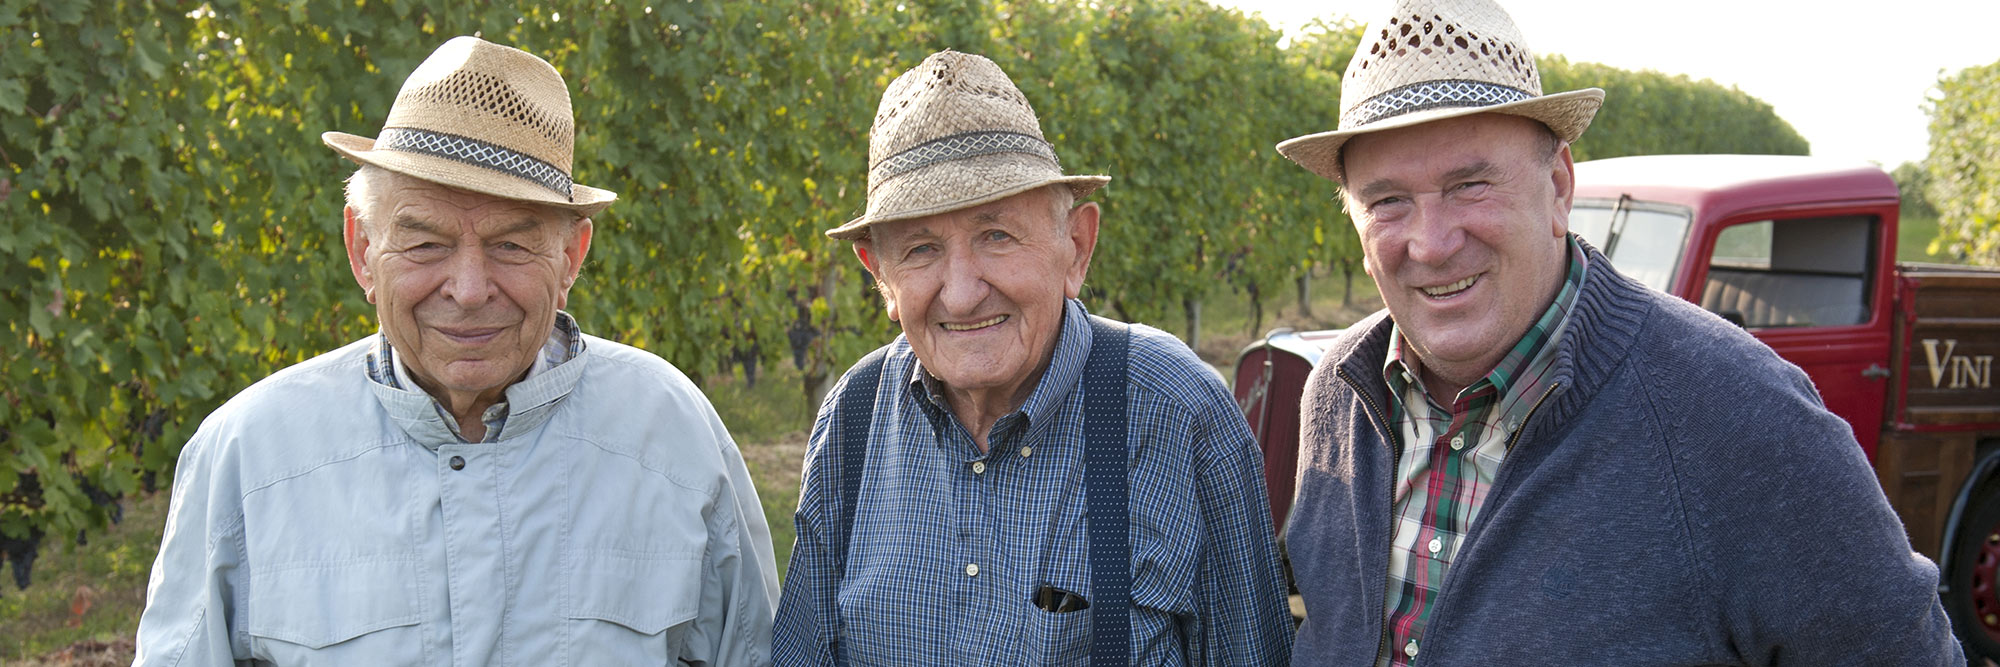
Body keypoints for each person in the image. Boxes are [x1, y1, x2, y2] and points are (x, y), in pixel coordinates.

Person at [1273, 0, 1963, 664]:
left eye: (1470, 185)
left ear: (1560, 187)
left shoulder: (1742, 415)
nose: (1430, 242)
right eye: (1388, 200)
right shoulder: (1336, 394)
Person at [132, 36, 778, 665]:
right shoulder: (248, 455)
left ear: (570, 257)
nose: (469, 291)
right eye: (425, 243)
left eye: (511, 246)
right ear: (362, 249)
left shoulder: (671, 432)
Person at [772, 50, 1294, 665]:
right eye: (920, 249)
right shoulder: (853, 420)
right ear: (881, 276)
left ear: (1076, 246)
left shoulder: (1176, 410)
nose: (962, 293)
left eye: (996, 236)